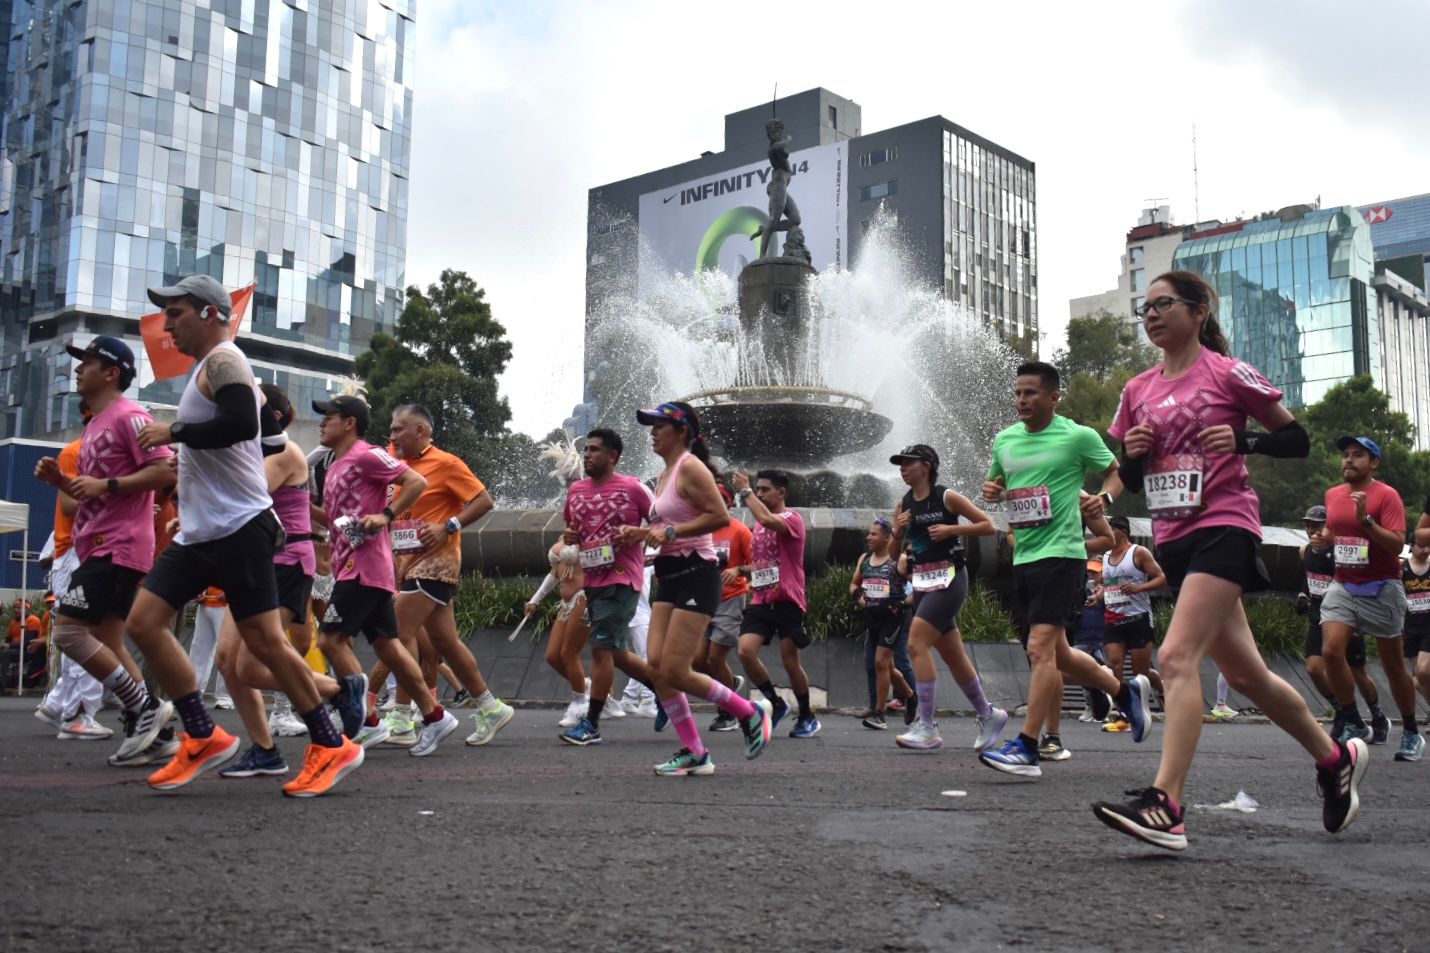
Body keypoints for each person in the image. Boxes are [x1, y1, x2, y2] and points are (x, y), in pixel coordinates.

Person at [1092, 270, 1361, 849]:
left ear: (1198, 312)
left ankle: (1167, 803)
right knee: (1245, 674)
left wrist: (1245, 442)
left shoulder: (1225, 372)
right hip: (1176, 535)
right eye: (1144, 308)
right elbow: (1135, 476)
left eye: (1163, 304)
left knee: (1176, 655)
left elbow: (1297, 439)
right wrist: (1130, 460)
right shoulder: (1137, 389)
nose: (1151, 315)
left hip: (1226, 525)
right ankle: (1334, 758)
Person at [128, 275, 363, 796]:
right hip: (201, 533)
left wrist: (178, 433)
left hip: (239, 530)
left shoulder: (225, 360)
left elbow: (237, 424)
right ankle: (202, 734)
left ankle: (330, 743)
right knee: (144, 622)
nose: (167, 323)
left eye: (177, 312)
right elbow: (265, 434)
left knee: (265, 647)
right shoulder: (208, 373)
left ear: (211, 313)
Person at [980, 362, 1148, 779]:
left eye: (1031, 393)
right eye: (1018, 392)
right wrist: (993, 490)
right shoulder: (1004, 440)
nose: (1022, 400)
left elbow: (1116, 472)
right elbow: (998, 485)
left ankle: (1029, 746)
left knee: (1040, 649)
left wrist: (1104, 501)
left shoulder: (1077, 437)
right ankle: (1124, 692)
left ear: (1054, 397)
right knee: (1058, 654)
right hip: (1025, 558)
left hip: (1063, 556)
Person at [33, 336, 179, 766]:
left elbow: (164, 469)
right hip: (100, 543)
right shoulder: (95, 425)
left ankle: (143, 708)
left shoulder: (130, 417)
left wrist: (107, 484)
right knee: (109, 641)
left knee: (67, 633)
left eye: (88, 362)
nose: (78, 369)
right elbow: (88, 497)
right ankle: (159, 735)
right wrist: (61, 482)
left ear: (112, 373)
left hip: (116, 547)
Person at [216, 383, 366, 777]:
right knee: (227, 662)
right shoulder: (252, 453)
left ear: (269, 418)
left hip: (284, 562)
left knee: (251, 665)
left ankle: (338, 691)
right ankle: (264, 749)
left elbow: (242, 496)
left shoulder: (283, 453)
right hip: (254, 561)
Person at [619, 401, 771, 775]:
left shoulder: (691, 467)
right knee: (657, 668)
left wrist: (669, 532)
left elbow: (720, 516)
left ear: (681, 430)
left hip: (696, 573)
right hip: (669, 574)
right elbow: (667, 524)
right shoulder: (665, 473)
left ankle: (749, 712)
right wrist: (641, 534)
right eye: (650, 426)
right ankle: (695, 752)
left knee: (675, 669)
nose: (652, 432)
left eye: (659, 425)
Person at [311, 393, 461, 757]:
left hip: (361, 569)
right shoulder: (334, 467)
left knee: (330, 641)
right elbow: (334, 521)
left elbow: (415, 482)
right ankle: (435, 715)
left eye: (328, 416)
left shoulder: (367, 454)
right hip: (357, 566)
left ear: (349, 423)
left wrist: (386, 516)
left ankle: (365, 721)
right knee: (388, 647)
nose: (321, 422)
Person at [384, 404, 513, 748]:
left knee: (394, 634)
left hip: (437, 564)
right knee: (445, 643)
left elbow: (484, 500)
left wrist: (448, 526)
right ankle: (490, 706)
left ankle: (402, 716)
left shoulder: (446, 463)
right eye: (392, 430)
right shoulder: (398, 469)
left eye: (399, 429)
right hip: (410, 566)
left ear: (421, 432)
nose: (393, 435)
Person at [884, 444, 1003, 751]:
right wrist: (897, 532)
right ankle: (988, 715)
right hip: (923, 582)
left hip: (951, 578)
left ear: (926, 465)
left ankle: (927, 726)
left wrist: (951, 530)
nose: (902, 468)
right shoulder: (904, 504)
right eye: (900, 464)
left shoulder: (946, 496)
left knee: (915, 643)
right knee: (953, 656)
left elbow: (989, 526)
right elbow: (892, 555)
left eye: (908, 462)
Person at [558, 428, 662, 746]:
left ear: (612, 456)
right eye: (586, 449)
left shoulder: (633, 488)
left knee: (601, 650)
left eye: (594, 450)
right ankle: (668, 692)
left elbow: (662, 524)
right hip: (592, 582)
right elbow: (571, 529)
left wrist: (639, 534)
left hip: (622, 579)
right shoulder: (576, 491)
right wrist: (571, 538)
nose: (586, 454)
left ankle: (591, 724)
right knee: (617, 653)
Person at [1319, 436, 1419, 761]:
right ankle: (1353, 721)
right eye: (1345, 455)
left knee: (1392, 665)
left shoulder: (1386, 496)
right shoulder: (1333, 495)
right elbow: (1338, 530)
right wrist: (1325, 540)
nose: (1349, 460)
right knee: (1331, 651)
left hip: (1382, 586)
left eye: (1358, 455)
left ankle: (1411, 732)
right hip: (1344, 584)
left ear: (1373, 463)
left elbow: (1396, 545)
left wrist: (1367, 520)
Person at [33, 404, 109, 739]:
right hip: (77, 551)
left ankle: (61, 702)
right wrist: (119, 491)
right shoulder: (76, 451)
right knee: (87, 634)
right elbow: (68, 504)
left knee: (79, 632)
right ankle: (78, 713)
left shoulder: (86, 453)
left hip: (80, 551)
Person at [733, 467, 819, 737]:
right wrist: (742, 571)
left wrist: (745, 492)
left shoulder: (791, 518)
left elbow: (770, 521)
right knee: (745, 651)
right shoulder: (758, 524)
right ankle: (776, 703)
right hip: (761, 598)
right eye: (757, 489)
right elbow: (763, 562)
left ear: (781, 492)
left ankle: (807, 715)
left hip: (788, 599)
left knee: (790, 661)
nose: (759, 493)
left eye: (764, 489)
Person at [1297, 504, 1387, 740]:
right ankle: (1344, 713)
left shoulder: (1342, 553)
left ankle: (1378, 717)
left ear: (1329, 527)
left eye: (1317, 526)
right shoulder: (1304, 551)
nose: (1312, 531)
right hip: (1318, 617)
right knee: (1314, 669)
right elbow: (1310, 577)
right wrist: (1303, 595)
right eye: (1308, 526)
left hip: (1345, 619)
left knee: (1356, 673)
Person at [696, 483, 752, 732]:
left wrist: (738, 570)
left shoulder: (739, 531)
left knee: (716, 658)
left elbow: (761, 562)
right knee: (697, 661)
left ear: (728, 503)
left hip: (730, 600)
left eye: (718, 497)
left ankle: (728, 712)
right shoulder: (698, 531)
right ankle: (731, 684)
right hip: (702, 600)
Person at [1099, 515, 1167, 719]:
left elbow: (1163, 577)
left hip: (1138, 618)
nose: (1108, 533)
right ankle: (1124, 712)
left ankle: (1162, 690)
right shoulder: (1105, 556)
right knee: (1114, 664)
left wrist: (1139, 587)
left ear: (1123, 531)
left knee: (1141, 672)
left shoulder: (1138, 553)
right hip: (1114, 619)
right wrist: (1097, 596)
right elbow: (1108, 585)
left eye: (1111, 529)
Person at [850, 518, 914, 730]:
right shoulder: (865, 559)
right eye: (869, 533)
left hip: (893, 618)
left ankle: (879, 714)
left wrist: (904, 604)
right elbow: (854, 584)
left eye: (874, 534)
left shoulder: (899, 560)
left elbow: (921, 584)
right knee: (885, 666)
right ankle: (910, 696)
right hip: (872, 618)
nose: (869, 537)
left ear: (887, 537)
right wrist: (858, 595)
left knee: (880, 662)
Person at [527, 541, 592, 727]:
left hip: (583, 598)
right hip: (566, 604)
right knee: (553, 656)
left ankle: (580, 707)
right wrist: (535, 600)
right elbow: (554, 573)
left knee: (568, 654)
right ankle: (587, 686)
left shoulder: (590, 533)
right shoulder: (568, 530)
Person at [1404, 532, 1430, 732]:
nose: (1426, 550)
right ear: (1411, 546)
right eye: (1422, 545)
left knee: (1423, 670)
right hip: (1410, 628)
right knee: (1419, 679)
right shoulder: (1401, 569)